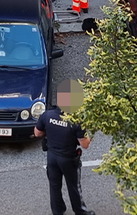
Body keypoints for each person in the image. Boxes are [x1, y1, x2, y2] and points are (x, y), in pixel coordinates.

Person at [34, 82, 95, 215]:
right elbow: (85, 144)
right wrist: (90, 133)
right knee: (74, 186)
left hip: (51, 156)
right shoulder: (76, 121)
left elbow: (37, 133)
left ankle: (58, 211)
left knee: (54, 186)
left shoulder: (47, 115)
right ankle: (80, 211)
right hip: (68, 159)